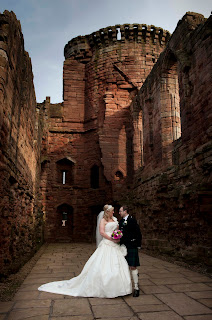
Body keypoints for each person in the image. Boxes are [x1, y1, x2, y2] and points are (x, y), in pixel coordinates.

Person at [38, 204, 132, 298]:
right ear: (108, 212)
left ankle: (120, 288)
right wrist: (111, 238)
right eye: (112, 211)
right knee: (103, 264)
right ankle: (105, 287)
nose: (113, 212)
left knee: (118, 264)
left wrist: (118, 236)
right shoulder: (103, 220)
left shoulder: (115, 219)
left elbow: (118, 230)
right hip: (107, 242)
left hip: (115, 244)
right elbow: (102, 232)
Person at [119, 205, 142, 297]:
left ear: (125, 211)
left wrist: (138, 245)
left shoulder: (132, 220)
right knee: (124, 267)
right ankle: (125, 287)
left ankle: (136, 287)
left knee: (133, 266)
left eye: (120, 211)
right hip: (123, 247)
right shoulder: (120, 221)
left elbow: (138, 233)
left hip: (132, 246)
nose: (119, 213)